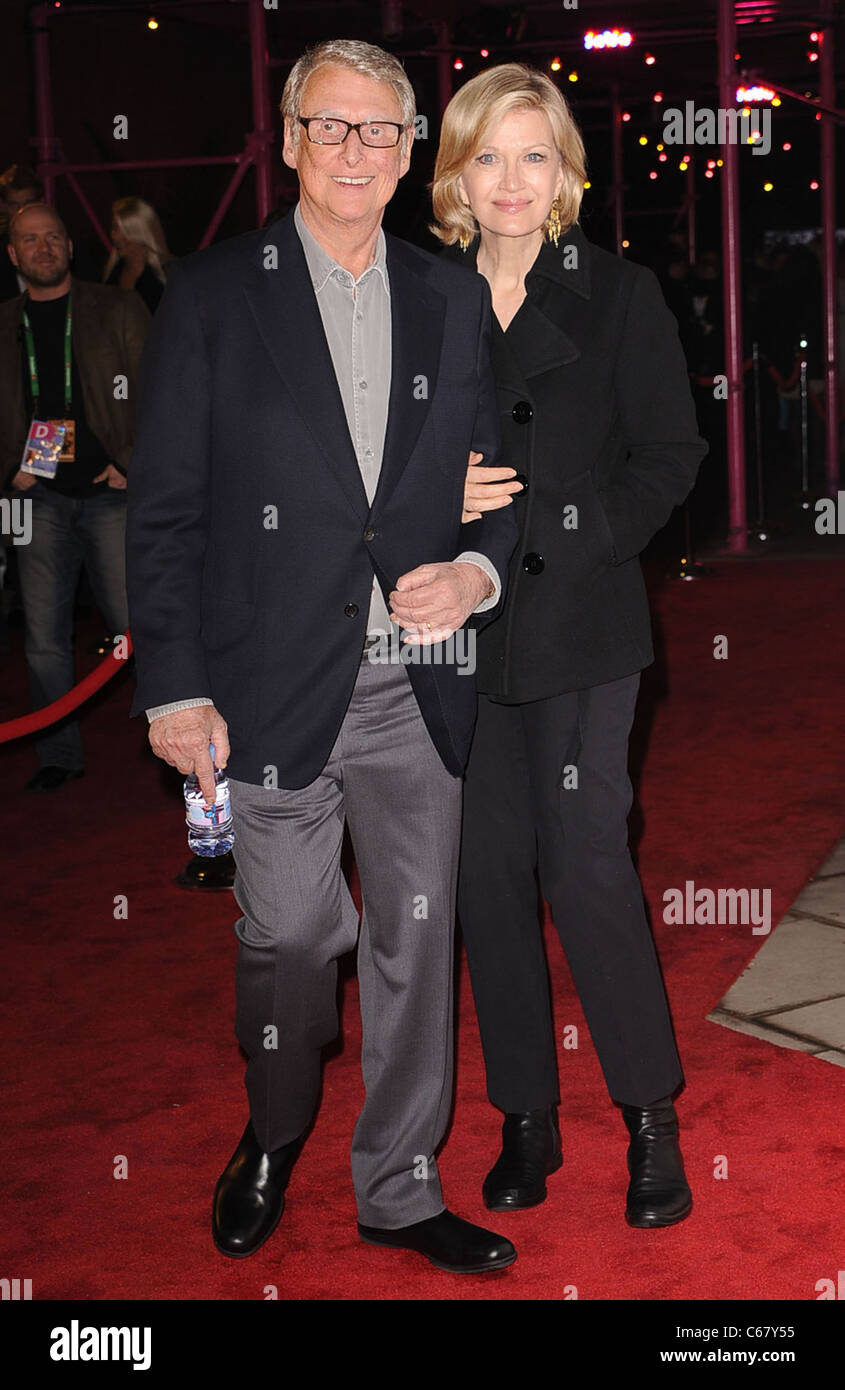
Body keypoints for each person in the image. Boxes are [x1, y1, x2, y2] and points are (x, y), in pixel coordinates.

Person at [126, 39, 519, 1275]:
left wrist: (474, 567)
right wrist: (175, 685)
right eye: (329, 126)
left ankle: (397, 1184)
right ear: (290, 138)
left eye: (379, 131)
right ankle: (276, 1127)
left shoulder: (449, 299)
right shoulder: (210, 295)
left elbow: (497, 488)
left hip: (416, 681)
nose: (354, 150)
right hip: (265, 687)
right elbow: (168, 509)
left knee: (413, 937)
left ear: (409, 156)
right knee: (293, 937)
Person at [432, 64, 707, 1226]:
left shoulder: (618, 292)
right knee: (484, 878)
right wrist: (427, 497)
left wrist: (579, 530)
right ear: (453, 173)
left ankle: (649, 1116)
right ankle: (525, 1117)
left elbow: (670, 454)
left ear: (564, 176)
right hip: (458, 632)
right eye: (486, 155)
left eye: (531, 155)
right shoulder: (420, 297)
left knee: (585, 863)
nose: (509, 179)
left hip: (584, 623)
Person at [0, 202, 150, 790]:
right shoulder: (3, 321)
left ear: (70, 245)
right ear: (13, 254)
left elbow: (163, 385)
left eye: (53, 236)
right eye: (29, 240)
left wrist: (130, 464)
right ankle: (57, 755)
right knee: (41, 641)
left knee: (135, 627)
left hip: (111, 493)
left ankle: (174, 739)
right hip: (33, 500)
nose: (43, 247)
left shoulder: (115, 307)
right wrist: (7, 471)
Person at [103, 196, 172, 315]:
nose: (116, 236)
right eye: (114, 228)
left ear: (141, 233)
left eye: (125, 231)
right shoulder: (114, 271)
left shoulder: (161, 279)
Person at [0, 165, 44, 302]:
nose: (21, 211)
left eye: (27, 204)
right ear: (3, 206)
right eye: (14, 205)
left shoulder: (61, 246)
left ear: (41, 202)